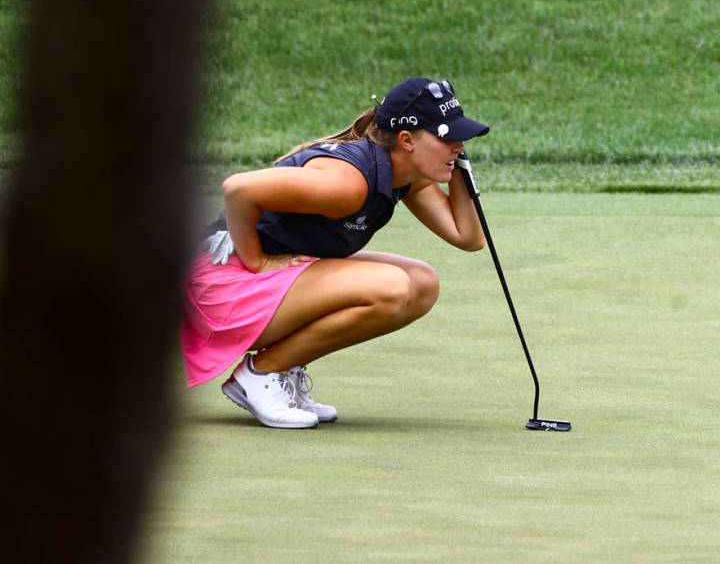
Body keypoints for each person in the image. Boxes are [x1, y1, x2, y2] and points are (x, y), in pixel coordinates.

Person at [181, 77, 489, 429]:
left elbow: (468, 237)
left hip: (271, 279)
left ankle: (282, 368)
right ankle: (260, 374)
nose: (458, 146)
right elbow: (238, 188)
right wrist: (257, 260)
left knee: (421, 283)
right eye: (448, 138)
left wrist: (459, 167)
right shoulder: (348, 184)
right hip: (222, 285)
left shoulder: (403, 176)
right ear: (406, 140)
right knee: (390, 287)